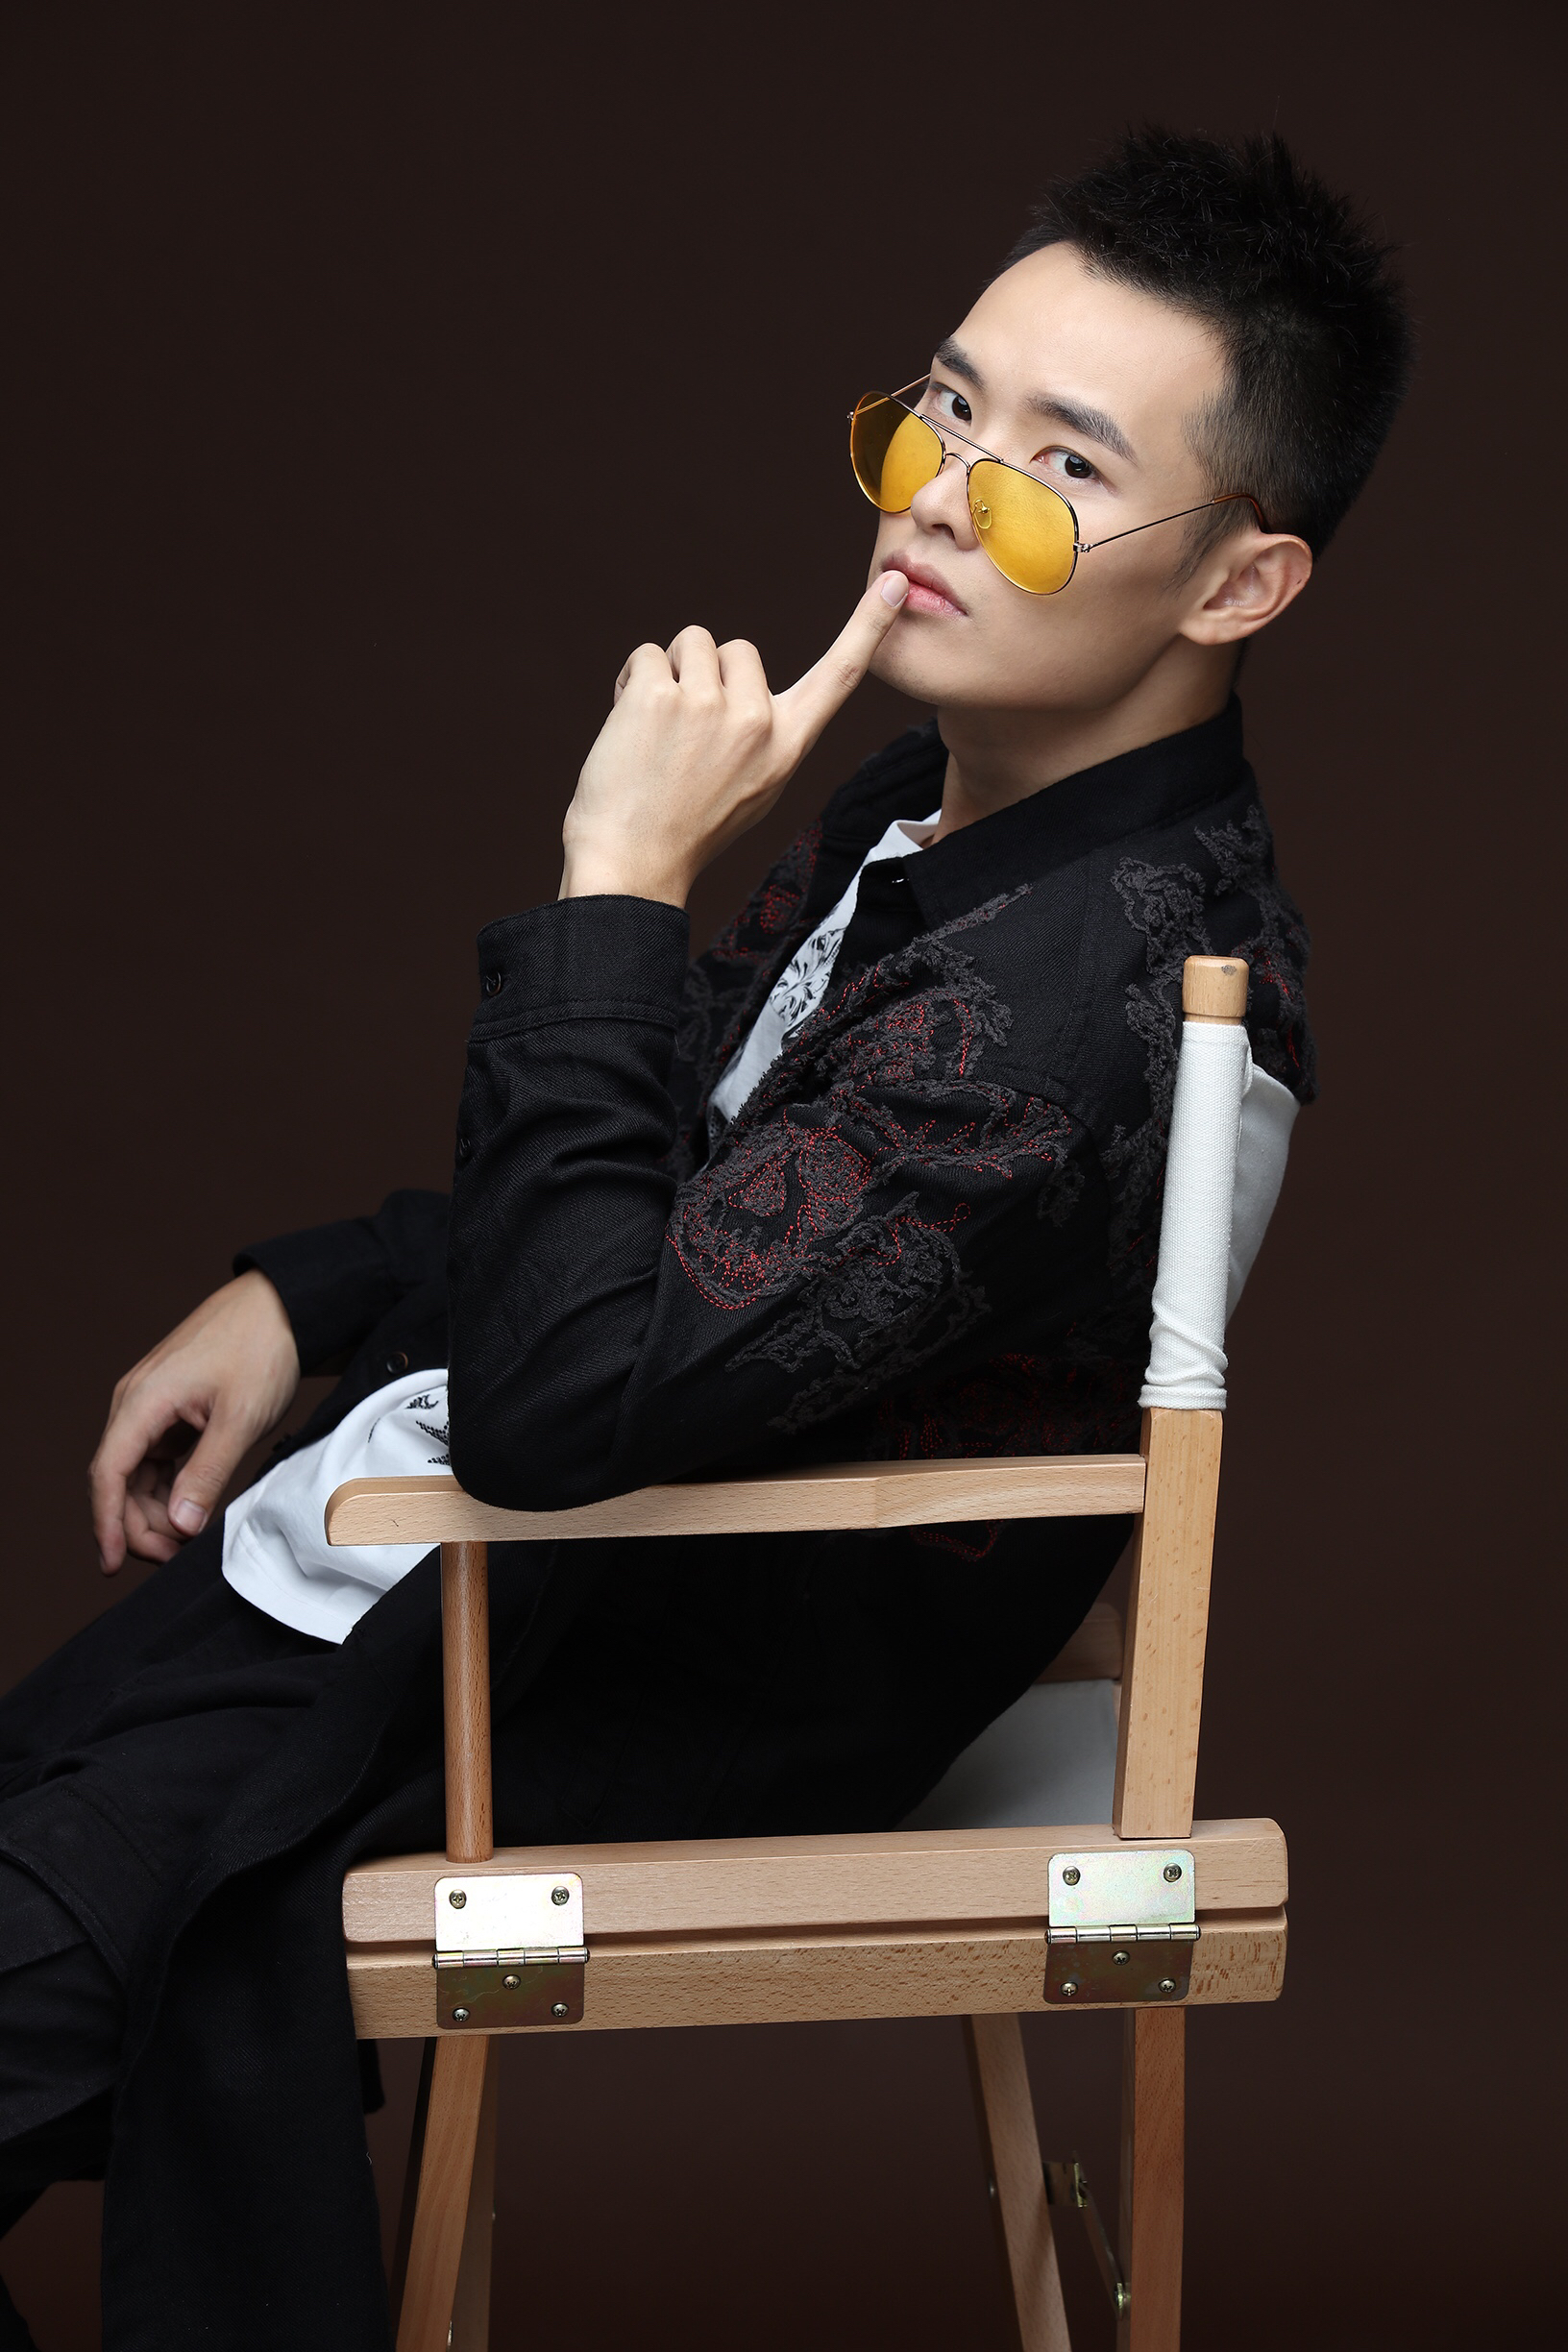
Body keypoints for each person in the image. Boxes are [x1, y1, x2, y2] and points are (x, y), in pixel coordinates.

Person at [0, 129, 1409, 2349]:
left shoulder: (1077, 1008)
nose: (944, 501)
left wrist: (618, 888)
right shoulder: (931, 800)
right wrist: (319, 1282)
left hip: (617, 1661)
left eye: (1058, 468)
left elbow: (563, 1408)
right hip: (466, 1570)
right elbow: (680, 1179)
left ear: (1238, 585)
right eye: (940, 415)